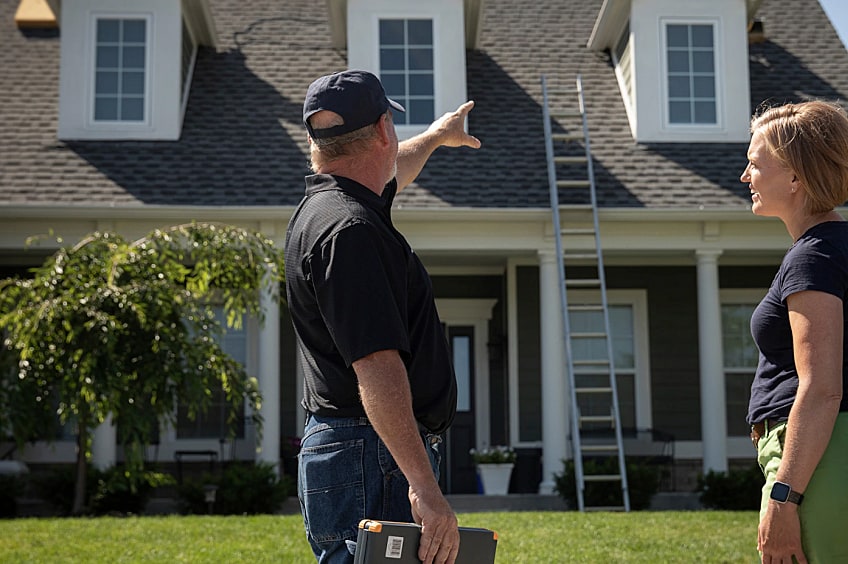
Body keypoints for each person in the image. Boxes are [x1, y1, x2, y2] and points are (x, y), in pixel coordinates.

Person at [284, 70, 481, 564]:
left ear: (316, 143)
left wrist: (437, 137)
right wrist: (425, 487)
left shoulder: (332, 207)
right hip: (372, 456)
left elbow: (394, 168)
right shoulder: (351, 231)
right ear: (383, 131)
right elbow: (377, 369)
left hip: (358, 454)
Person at [741, 100, 848, 563]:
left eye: (754, 163)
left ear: (795, 178)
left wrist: (784, 497)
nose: (746, 176)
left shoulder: (814, 257)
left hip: (816, 464)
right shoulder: (831, 249)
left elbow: (822, 387)